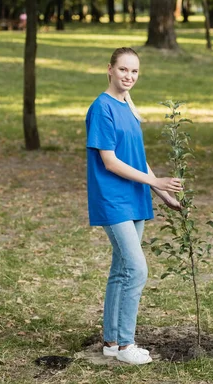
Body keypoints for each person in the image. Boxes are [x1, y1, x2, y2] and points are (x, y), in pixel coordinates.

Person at [85, 47, 183, 365]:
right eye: (123, 69)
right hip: (112, 199)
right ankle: (127, 346)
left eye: (135, 71)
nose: (129, 76)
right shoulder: (102, 108)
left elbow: (137, 160)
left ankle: (112, 342)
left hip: (134, 198)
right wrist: (155, 182)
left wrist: (162, 194)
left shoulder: (128, 105)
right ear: (109, 70)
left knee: (121, 270)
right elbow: (110, 162)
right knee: (137, 269)